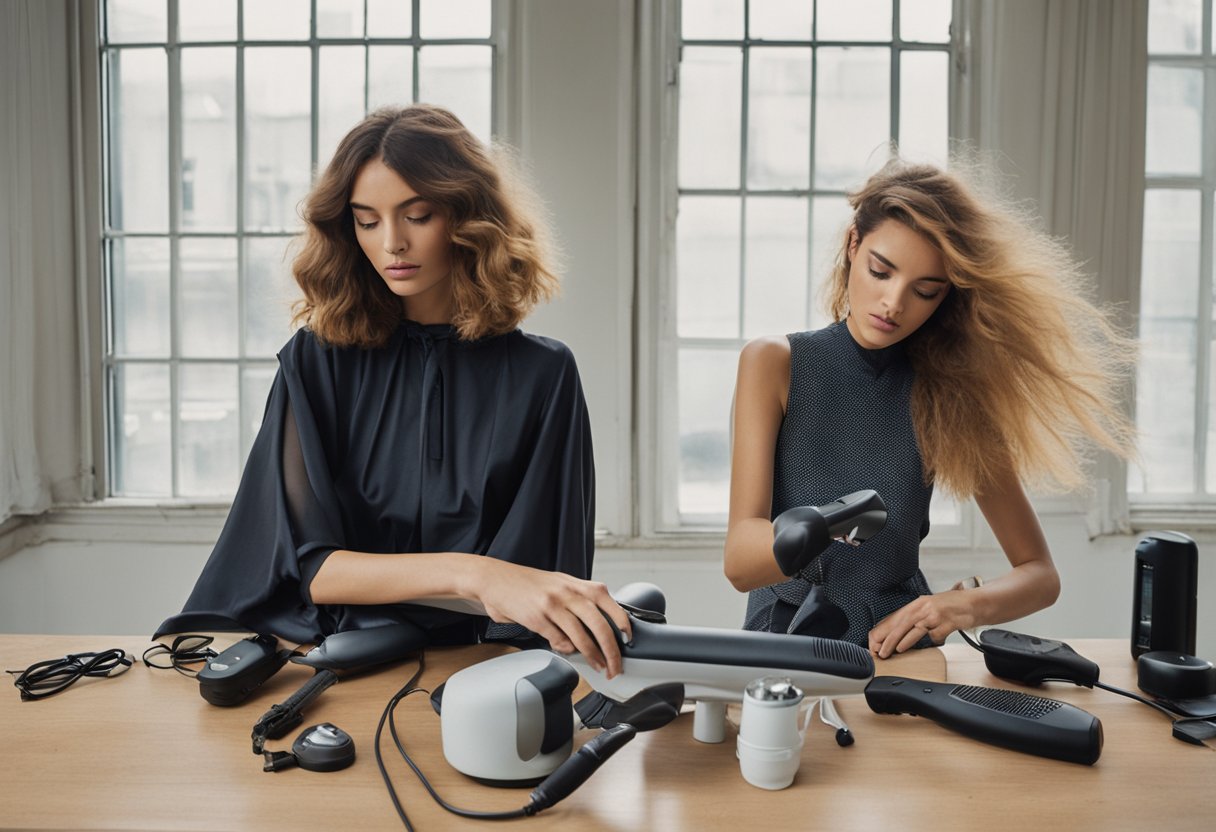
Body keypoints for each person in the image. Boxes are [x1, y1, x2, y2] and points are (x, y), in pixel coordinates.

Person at [156, 104, 630, 677]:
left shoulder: (545, 375)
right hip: (335, 668)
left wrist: (492, 594)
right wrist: (473, 573)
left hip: (483, 674)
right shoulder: (315, 362)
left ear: (467, 216)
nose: (392, 243)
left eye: (418, 215)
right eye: (367, 220)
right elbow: (311, 570)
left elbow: (540, 586)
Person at [724, 158, 1135, 658]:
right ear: (854, 245)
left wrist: (955, 608)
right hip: (787, 645)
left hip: (903, 656)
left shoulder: (950, 396)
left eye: (925, 291)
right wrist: (830, 523)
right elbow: (742, 564)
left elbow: (1040, 576)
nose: (893, 303)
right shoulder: (776, 363)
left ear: (946, 296)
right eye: (881, 271)